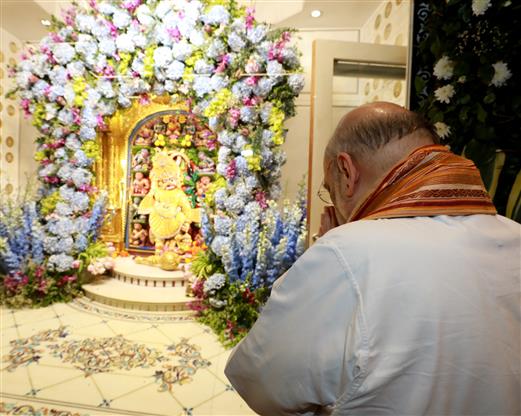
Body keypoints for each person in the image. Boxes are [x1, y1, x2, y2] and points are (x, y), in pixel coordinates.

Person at [224, 102, 520, 415]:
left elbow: (261, 386)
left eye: (330, 190)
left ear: (346, 172)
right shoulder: (515, 234)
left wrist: (332, 246)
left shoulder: (346, 254)